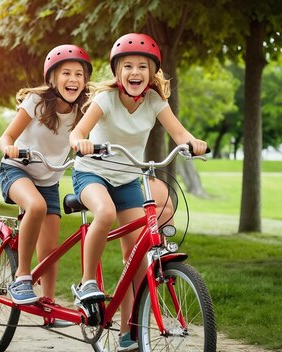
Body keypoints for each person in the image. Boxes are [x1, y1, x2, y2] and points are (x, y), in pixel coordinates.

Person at [68, 33, 208, 350]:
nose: (135, 72)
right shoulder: (105, 100)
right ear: (118, 72)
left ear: (152, 72)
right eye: (128, 66)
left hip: (129, 179)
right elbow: (78, 131)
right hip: (93, 173)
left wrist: (192, 143)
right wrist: (80, 142)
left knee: (137, 258)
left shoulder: (156, 102)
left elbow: (179, 132)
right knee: (103, 213)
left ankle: (127, 332)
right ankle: (88, 282)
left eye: (142, 66)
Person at [0, 44, 92, 306]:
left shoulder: (83, 111)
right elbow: (6, 136)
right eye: (66, 73)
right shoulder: (37, 102)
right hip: (17, 170)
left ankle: (48, 302)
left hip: (49, 180)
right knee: (35, 206)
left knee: (51, 249)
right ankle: (21, 276)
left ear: (85, 82)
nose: (73, 79)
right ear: (52, 78)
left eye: (79, 75)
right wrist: (10, 149)